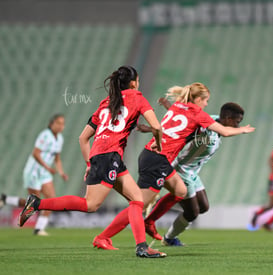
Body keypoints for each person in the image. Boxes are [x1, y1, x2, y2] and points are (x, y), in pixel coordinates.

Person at [18, 65, 166, 258]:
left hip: (103, 155)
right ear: (133, 83)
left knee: (137, 200)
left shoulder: (106, 102)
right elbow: (157, 126)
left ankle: (140, 247)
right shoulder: (137, 97)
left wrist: (89, 163)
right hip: (109, 156)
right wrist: (158, 145)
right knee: (90, 205)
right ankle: (37, 203)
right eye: (137, 80)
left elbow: (83, 138)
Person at [93, 83, 255, 248]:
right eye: (205, 100)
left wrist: (158, 118)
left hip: (159, 157)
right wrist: (243, 130)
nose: (206, 104)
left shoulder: (179, 106)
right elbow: (225, 132)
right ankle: (103, 236)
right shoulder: (199, 115)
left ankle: (150, 221)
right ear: (198, 99)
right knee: (138, 204)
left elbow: (176, 126)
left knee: (180, 190)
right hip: (157, 159)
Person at [138, 100, 245, 246]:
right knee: (192, 213)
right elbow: (182, 127)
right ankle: (167, 236)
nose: (237, 126)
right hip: (182, 170)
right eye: (237, 122)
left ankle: (168, 200)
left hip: (193, 172)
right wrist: (151, 129)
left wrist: (168, 106)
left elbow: (186, 117)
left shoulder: (212, 120)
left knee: (203, 207)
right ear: (227, 119)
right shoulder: (207, 130)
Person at [0, 114, 68, 236]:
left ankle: (38, 229)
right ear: (51, 124)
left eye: (63, 123)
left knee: (51, 200)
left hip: (45, 173)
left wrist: (61, 172)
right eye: (58, 123)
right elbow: (36, 153)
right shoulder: (45, 135)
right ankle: (6, 199)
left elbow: (57, 158)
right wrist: (48, 167)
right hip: (33, 172)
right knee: (35, 203)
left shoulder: (60, 139)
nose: (61, 126)